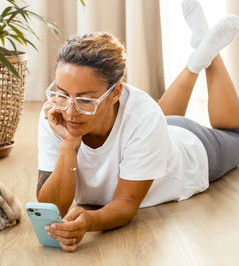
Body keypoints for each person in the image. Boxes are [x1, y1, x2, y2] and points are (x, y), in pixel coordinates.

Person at [36, 0, 239, 252]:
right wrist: (69, 145)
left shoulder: (143, 115)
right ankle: (199, 55)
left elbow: (126, 202)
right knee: (153, 120)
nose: (70, 111)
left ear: (115, 92)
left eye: (86, 99)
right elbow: (50, 207)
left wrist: (91, 221)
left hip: (188, 150)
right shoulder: (57, 112)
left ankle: (210, 54)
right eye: (63, 93)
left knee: (235, 133)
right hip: (156, 130)